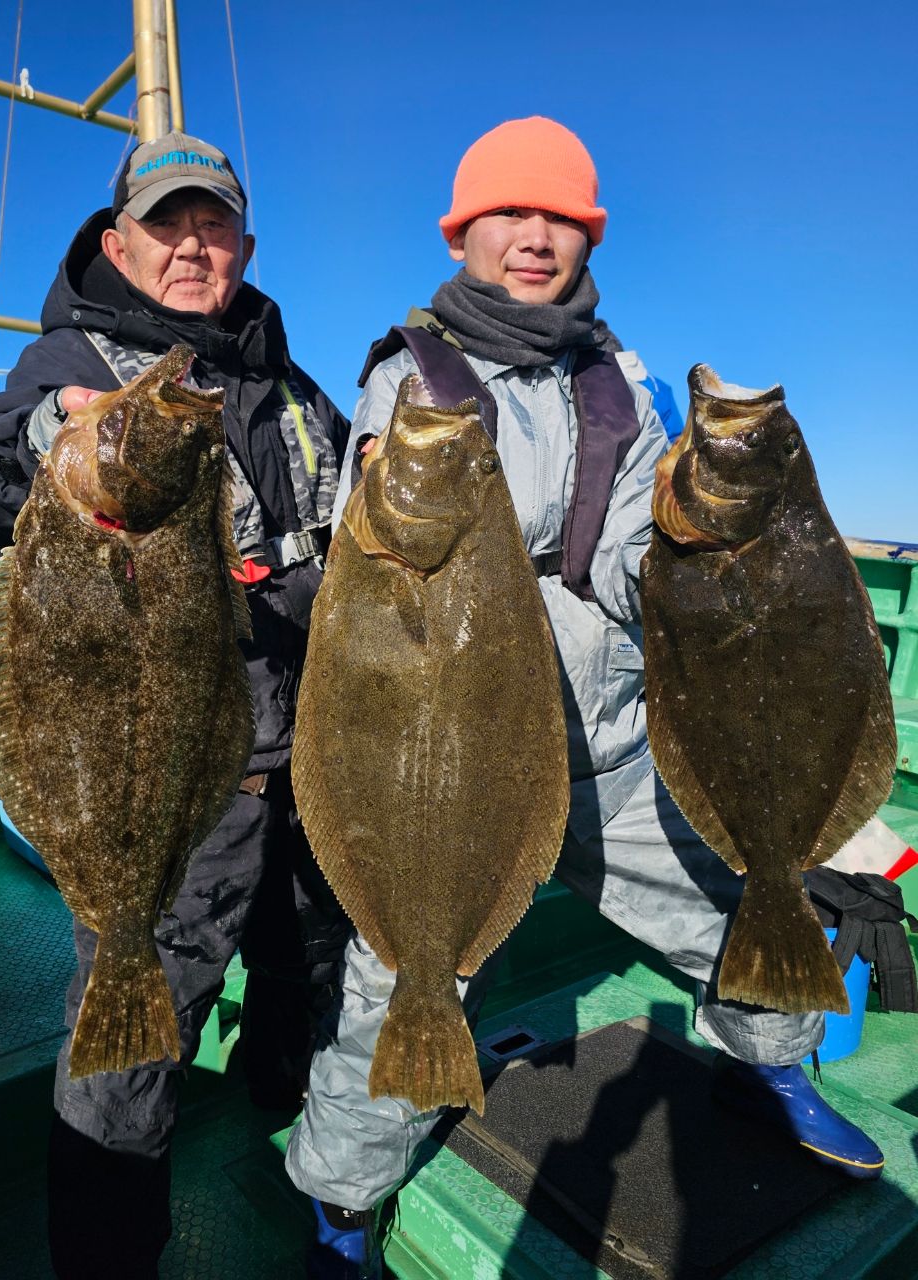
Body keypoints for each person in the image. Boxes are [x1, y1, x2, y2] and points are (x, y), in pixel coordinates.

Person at [283, 116, 885, 1280]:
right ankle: (341, 1197)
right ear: (463, 231)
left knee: (731, 911)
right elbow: (380, 551)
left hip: (602, 748)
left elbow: (616, 561)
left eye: (559, 217)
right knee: (395, 981)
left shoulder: (621, 384)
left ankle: (774, 1068)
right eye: (509, 213)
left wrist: (686, 540)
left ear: (585, 236)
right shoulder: (410, 376)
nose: (533, 236)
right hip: (447, 768)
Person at [0, 130, 350, 1279]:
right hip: (162, 773)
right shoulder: (68, 367)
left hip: (303, 762)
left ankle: (294, 1160)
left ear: (245, 243)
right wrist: (35, 438)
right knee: (129, 1037)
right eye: (168, 222)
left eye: (213, 222)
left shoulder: (292, 389)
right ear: (117, 240)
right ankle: (105, 1252)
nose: (192, 244)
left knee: (308, 974)